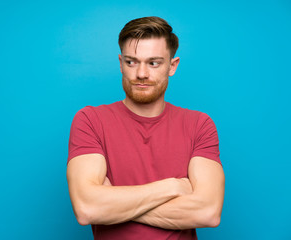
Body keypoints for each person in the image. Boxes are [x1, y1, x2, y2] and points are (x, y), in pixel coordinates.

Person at [67, 16, 225, 240]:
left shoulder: (199, 125)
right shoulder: (90, 120)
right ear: (121, 63)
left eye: (154, 63)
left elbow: (208, 212)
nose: (141, 73)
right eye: (132, 62)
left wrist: (113, 203)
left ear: (172, 66)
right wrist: (172, 187)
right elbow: (88, 208)